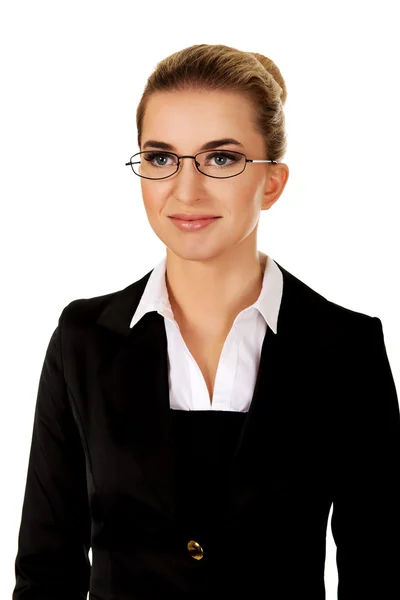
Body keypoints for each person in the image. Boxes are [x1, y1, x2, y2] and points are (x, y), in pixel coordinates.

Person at [12, 43, 400, 600]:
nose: (185, 190)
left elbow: (382, 568)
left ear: (272, 181)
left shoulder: (345, 347)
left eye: (221, 158)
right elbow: (47, 570)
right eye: (161, 157)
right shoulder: (83, 340)